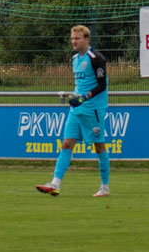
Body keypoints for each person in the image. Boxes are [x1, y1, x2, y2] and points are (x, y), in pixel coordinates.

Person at [37, 24, 110, 198]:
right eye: (72, 38)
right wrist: (75, 97)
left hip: (93, 109)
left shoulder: (96, 58)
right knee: (67, 144)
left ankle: (105, 187)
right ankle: (55, 183)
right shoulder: (74, 59)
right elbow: (81, 83)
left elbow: (102, 85)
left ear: (86, 39)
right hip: (77, 109)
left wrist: (84, 97)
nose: (74, 41)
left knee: (99, 146)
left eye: (77, 38)